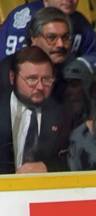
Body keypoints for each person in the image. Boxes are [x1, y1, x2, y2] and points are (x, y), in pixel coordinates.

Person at [0, 46, 70, 174]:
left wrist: (48, 167)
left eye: (47, 80)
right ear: (12, 77)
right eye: (32, 79)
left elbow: (77, 157)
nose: (40, 87)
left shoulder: (64, 114)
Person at [0, 0, 96, 74]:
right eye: (51, 37)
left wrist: (77, 68)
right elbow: (8, 67)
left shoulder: (81, 22)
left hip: (63, 91)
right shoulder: (23, 19)